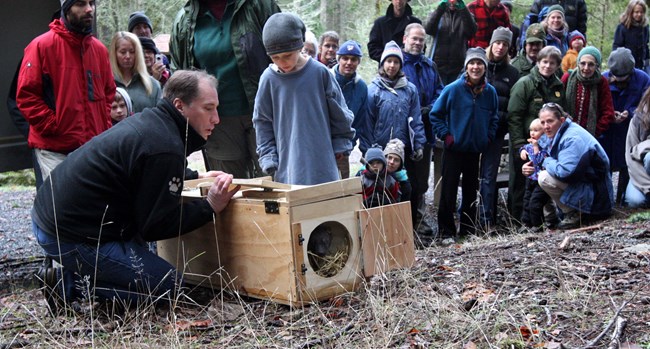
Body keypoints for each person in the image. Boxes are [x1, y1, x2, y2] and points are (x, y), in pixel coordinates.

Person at [32, 70, 239, 311]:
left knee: (151, 269)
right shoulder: (164, 147)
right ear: (180, 106)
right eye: (208, 108)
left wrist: (192, 176)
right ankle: (68, 284)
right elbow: (154, 226)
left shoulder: (155, 125)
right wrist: (210, 206)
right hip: (67, 235)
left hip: (55, 219)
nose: (216, 119)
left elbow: (143, 171)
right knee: (168, 286)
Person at [170, 0, 280, 179]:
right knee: (229, 186)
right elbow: (180, 75)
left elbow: (284, 45)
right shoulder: (184, 21)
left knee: (275, 179)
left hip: (266, 114)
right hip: (217, 124)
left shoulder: (258, 6)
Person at [16, 0, 115, 181]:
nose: (89, 9)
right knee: (60, 207)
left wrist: (103, 126)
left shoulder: (99, 50)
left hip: (93, 148)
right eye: (80, 4)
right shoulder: (41, 46)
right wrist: (54, 125)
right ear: (66, 8)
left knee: (92, 207)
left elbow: (109, 93)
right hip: (55, 151)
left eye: (91, 3)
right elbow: (26, 96)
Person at [253, 13, 355, 185]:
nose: (282, 62)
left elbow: (340, 114)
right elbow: (262, 121)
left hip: (322, 162)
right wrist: (268, 157)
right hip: (287, 166)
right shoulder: (268, 80)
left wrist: (341, 145)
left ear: (299, 47)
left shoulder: (319, 73)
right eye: (275, 57)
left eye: (287, 55)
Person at [430, 48, 499, 239]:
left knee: (470, 192)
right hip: (454, 149)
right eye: (472, 63)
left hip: (475, 150)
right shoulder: (453, 89)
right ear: (466, 66)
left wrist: (487, 137)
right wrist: (446, 136)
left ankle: (468, 231)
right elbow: (435, 114)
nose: (475, 67)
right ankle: (446, 233)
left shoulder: (490, 92)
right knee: (448, 192)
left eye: (480, 64)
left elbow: (494, 117)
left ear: (484, 67)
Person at [527, 103, 613, 229]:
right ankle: (573, 212)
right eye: (543, 122)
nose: (546, 126)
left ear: (561, 120)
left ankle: (576, 213)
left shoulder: (572, 138)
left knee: (544, 177)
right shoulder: (557, 133)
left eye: (550, 121)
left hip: (597, 193)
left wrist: (544, 160)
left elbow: (565, 172)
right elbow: (541, 150)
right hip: (585, 184)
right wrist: (531, 166)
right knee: (542, 175)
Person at [508, 46, 565, 224]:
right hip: (526, 143)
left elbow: (562, 113)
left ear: (557, 66)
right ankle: (518, 221)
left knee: (543, 182)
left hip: (548, 144)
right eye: (544, 62)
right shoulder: (524, 83)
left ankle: (544, 220)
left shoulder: (558, 86)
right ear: (538, 62)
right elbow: (514, 115)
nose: (548, 66)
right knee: (522, 184)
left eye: (552, 63)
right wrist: (518, 145)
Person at [401, 23, 443, 238]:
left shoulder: (429, 65)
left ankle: (418, 218)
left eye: (421, 39)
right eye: (414, 38)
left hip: (424, 131)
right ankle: (402, 221)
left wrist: (430, 108)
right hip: (402, 132)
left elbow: (440, 91)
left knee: (421, 179)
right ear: (405, 39)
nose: (417, 43)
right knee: (403, 178)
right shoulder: (397, 63)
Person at [478, 27, 520, 229]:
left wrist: (498, 121)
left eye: (505, 44)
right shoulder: (477, 65)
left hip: (495, 132)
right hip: (474, 131)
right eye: (498, 43)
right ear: (491, 43)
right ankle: (469, 220)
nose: (501, 47)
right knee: (471, 176)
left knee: (489, 176)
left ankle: (487, 220)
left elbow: (513, 105)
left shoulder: (512, 74)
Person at [360, 41, 426, 162]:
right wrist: (367, 151)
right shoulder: (373, 90)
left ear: (401, 65)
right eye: (389, 61)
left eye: (396, 62)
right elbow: (367, 124)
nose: (392, 65)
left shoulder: (410, 89)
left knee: (402, 180)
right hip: (379, 150)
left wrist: (418, 144)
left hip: (402, 150)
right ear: (382, 63)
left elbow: (416, 119)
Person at [601, 48, 650, 204]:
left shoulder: (642, 79)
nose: (621, 80)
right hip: (609, 130)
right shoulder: (604, 79)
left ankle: (623, 197)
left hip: (633, 127)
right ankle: (608, 200)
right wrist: (611, 114)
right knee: (605, 162)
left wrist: (629, 113)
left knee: (627, 161)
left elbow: (645, 104)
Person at [331, 40, 369, 179]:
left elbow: (360, 121)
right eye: (345, 58)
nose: (349, 63)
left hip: (343, 149)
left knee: (342, 189)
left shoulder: (362, 87)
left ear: (358, 62)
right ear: (338, 59)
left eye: (353, 59)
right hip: (322, 146)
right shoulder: (326, 78)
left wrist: (348, 145)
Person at [562, 46, 615, 137]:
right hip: (565, 132)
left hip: (589, 136)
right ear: (578, 63)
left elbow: (608, 112)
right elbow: (557, 104)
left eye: (591, 64)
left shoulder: (601, 82)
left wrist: (595, 131)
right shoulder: (568, 78)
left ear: (597, 66)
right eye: (583, 63)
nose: (586, 68)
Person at [424, 0, 477, 84]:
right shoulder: (437, 13)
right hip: (438, 65)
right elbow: (428, 29)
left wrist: (463, 9)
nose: (452, 3)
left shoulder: (466, 15)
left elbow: (471, 32)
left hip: (458, 66)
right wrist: (440, 9)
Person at [109, 32, 162, 113]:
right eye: (123, 52)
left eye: (132, 52)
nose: (128, 56)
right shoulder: (106, 84)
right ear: (114, 53)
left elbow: (159, 119)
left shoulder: (153, 85)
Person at [519, 118, 551, 231]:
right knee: (526, 200)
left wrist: (536, 146)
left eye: (536, 130)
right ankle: (526, 223)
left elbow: (539, 160)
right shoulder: (530, 145)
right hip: (531, 179)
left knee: (535, 203)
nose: (532, 133)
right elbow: (523, 148)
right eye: (531, 130)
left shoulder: (544, 148)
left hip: (540, 179)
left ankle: (538, 225)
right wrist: (522, 151)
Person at [625, 86, 650, 207]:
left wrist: (642, 147)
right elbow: (630, 159)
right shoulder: (637, 120)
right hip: (641, 173)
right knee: (634, 201)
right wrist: (647, 187)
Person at [613, 0, 650, 71]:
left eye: (641, 12)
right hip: (626, 65)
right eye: (636, 12)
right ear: (631, 12)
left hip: (642, 65)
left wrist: (647, 62)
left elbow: (646, 45)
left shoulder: (645, 27)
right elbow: (616, 47)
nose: (639, 14)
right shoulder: (622, 27)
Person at [384, 138, 412, 203]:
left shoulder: (404, 183)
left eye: (396, 160)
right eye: (389, 158)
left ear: (400, 164)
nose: (391, 162)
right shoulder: (370, 172)